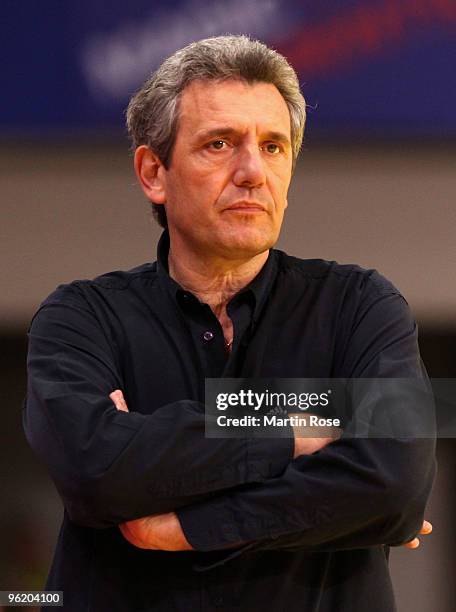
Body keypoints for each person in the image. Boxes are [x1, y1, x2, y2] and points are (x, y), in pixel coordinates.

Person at [24, 35, 435, 611]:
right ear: (153, 172)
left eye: (273, 147)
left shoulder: (363, 305)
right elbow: (96, 471)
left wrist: (184, 524)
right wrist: (295, 433)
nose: (251, 172)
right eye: (219, 144)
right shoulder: (79, 318)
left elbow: (396, 482)